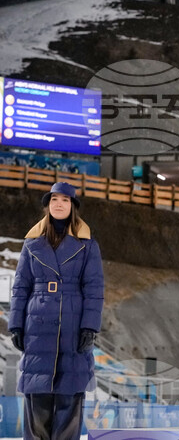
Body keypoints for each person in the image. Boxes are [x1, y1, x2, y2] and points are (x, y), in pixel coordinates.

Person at [9, 182, 104, 440]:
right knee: (37, 394)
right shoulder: (32, 244)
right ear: (47, 205)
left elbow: (94, 289)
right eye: (53, 199)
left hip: (72, 325)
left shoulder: (87, 245)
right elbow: (20, 287)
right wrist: (15, 324)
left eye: (64, 199)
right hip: (37, 324)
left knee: (69, 395)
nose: (58, 204)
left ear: (73, 206)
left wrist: (89, 327)